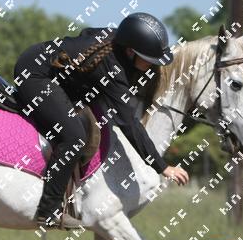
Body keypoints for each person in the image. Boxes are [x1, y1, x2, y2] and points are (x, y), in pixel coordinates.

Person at [13, 12, 189, 229]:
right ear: (130, 51)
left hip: (47, 68)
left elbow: (85, 34)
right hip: (34, 74)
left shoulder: (117, 39)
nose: (153, 66)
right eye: (149, 60)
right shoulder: (113, 70)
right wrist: (162, 167)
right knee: (74, 138)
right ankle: (48, 212)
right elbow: (129, 124)